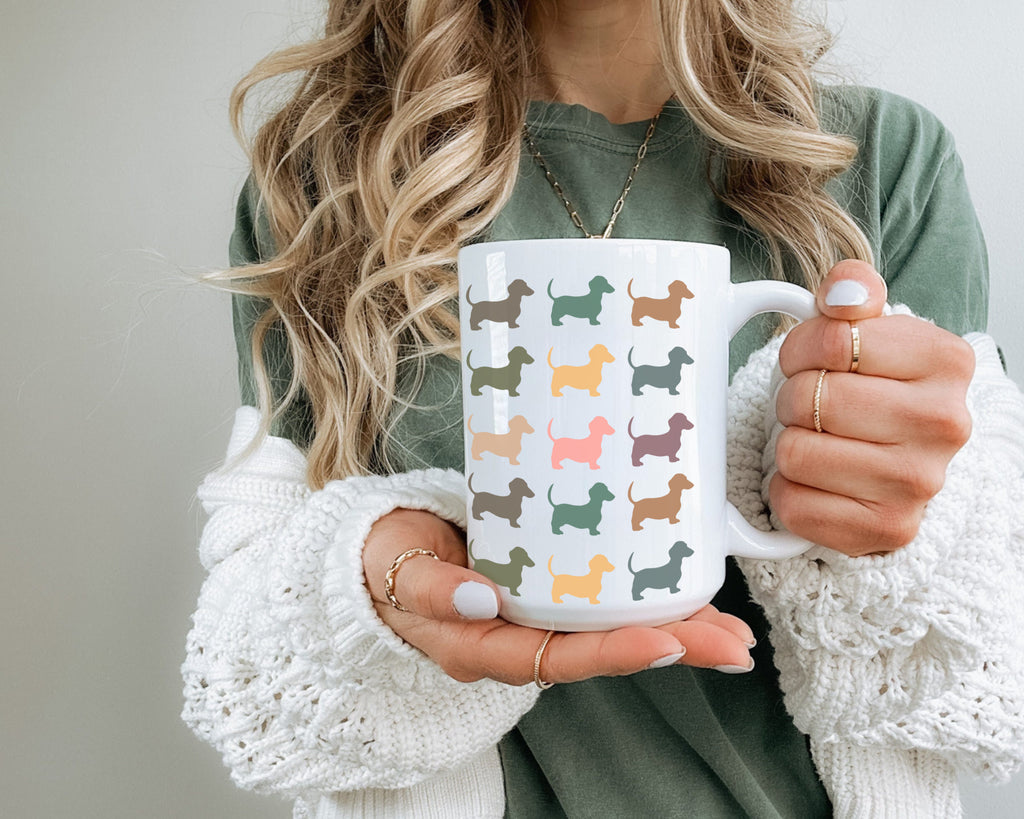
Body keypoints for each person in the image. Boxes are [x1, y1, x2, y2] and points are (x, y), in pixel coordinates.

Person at [181, 0, 1024, 816]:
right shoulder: (324, 181)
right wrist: (360, 593)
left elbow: (986, 657)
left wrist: (899, 523)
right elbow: (245, 653)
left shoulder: (877, 160)